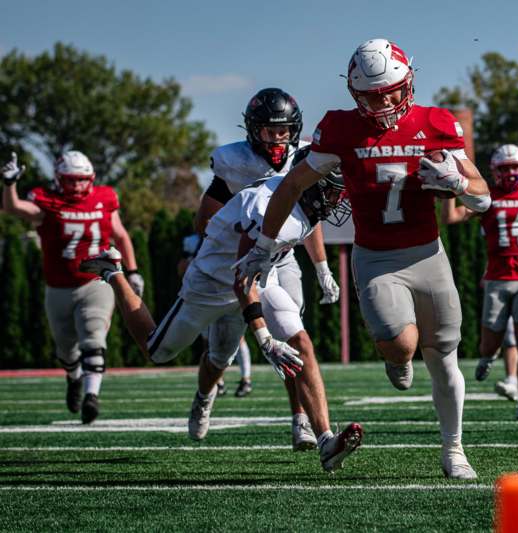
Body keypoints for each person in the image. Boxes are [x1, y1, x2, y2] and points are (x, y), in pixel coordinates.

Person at [236, 38, 491, 479]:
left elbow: (483, 198)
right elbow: (292, 186)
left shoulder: (436, 122)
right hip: (376, 257)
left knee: (444, 356)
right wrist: (263, 245)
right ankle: (397, 359)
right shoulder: (341, 129)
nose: (384, 99)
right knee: (401, 343)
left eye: (391, 89)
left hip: (429, 254)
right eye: (373, 93)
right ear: (356, 93)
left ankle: (454, 450)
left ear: (407, 81)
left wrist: (458, 185)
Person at [79, 148, 362, 472]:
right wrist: (264, 339)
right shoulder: (268, 206)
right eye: (333, 191)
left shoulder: (304, 203)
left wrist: (322, 269)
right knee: (157, 350)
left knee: (302, 343)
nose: (339, 200)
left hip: (261, 279)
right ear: (311, 185)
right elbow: (240, 277)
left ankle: (325, 440)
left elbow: (259, 270)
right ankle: (113, 272)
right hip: (213, 282)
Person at [197, 88, 340, 448]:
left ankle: (301, 421)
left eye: (284, 130)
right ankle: (205, 395)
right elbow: (204, 221)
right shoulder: (236, 163)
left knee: (295, 339)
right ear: (253, 130)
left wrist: (322, 268)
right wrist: (238, 235)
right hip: (237, 259)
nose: (278, 138)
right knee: (221, 352)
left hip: (282, 258)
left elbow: (313, 214)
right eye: (269, 130)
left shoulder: (302, 158)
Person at [1, 150, 143, 424]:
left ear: (91, 179)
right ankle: (74, 377)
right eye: (71, 180)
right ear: (59, 179)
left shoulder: (104, 198)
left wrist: (133, 271)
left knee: (94, 337)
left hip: (96, 281)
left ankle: (92, 396)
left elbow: (120, 234)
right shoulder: (47, 201)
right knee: (66, 350)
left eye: (81, 180)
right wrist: (9, 185)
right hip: (58, 287)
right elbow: (14, 208)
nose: (77, 186)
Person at [441, 144, 518, 421]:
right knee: (489, 342)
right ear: (495, 171)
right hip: (498, 278)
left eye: (516, 167)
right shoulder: (487, 197)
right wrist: (450, 188)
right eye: (505, 168)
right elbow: (451, 218)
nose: (512, 173)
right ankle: (489, 357)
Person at [179, 232, 252, 398]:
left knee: (238, 338)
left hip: (228, 290)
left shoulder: (228, 234)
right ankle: (217, 381)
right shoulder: (192, 241)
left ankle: (245, 378)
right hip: (204, 292)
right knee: (208, 340)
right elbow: (182, 265)